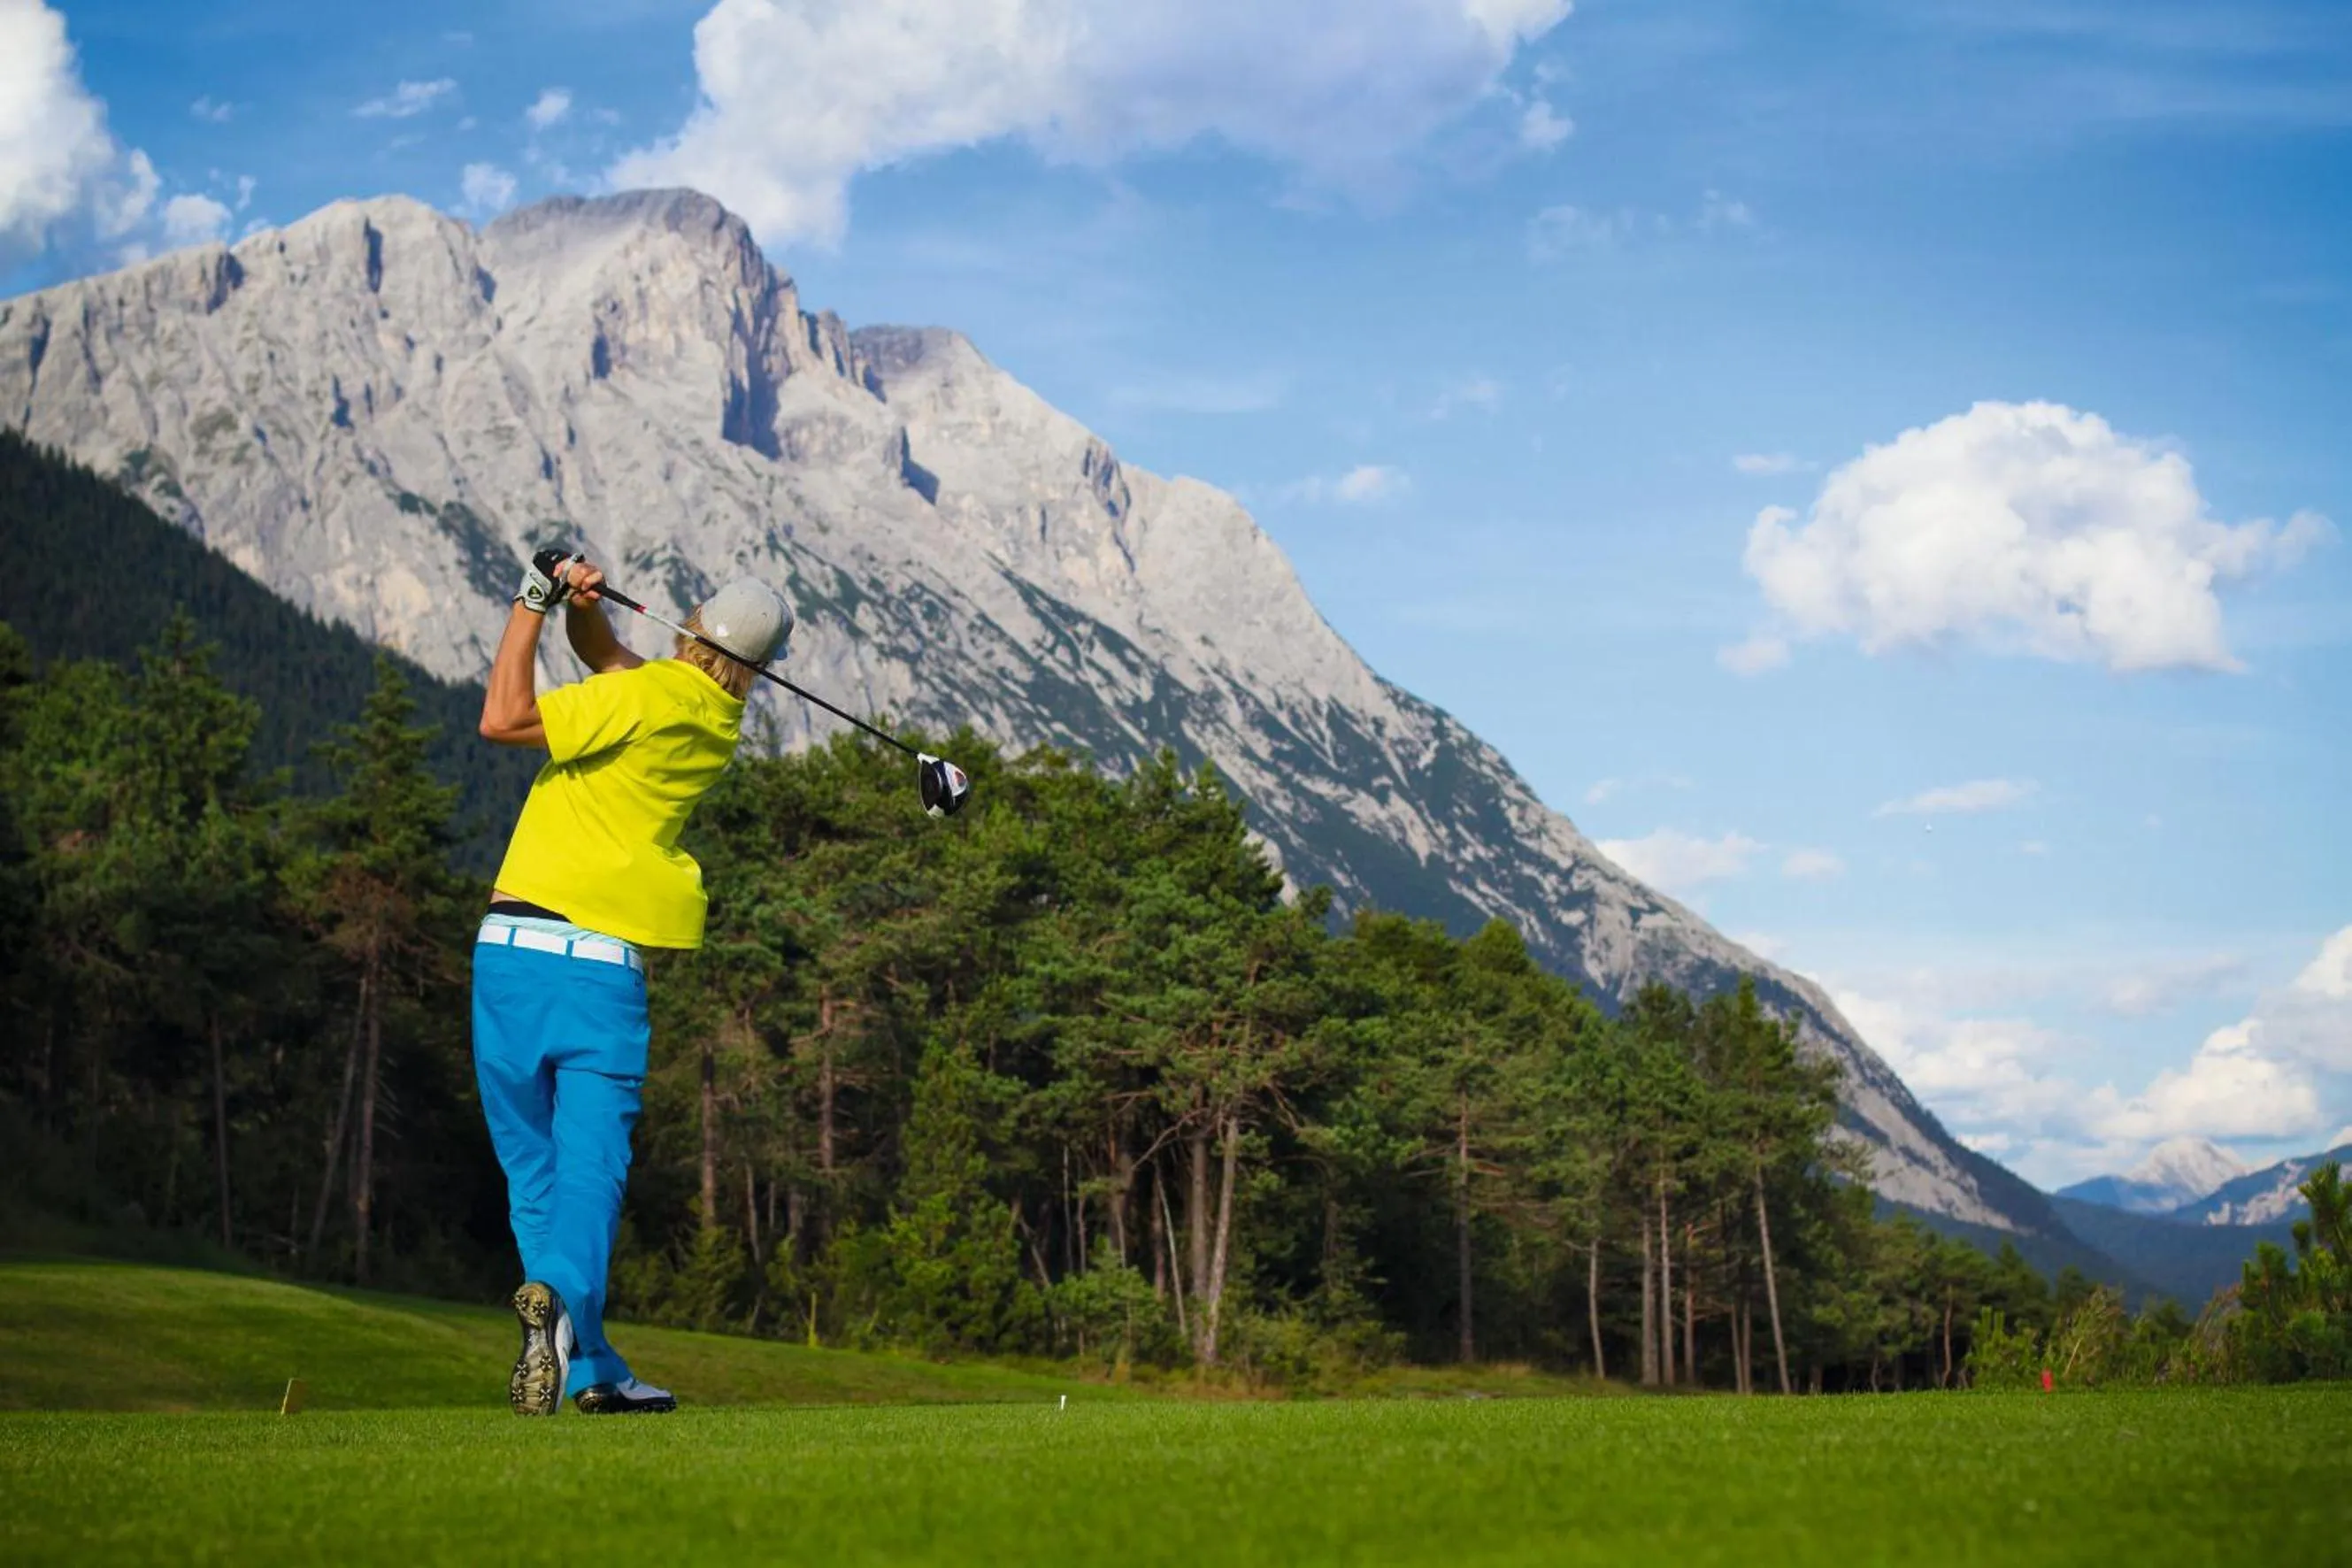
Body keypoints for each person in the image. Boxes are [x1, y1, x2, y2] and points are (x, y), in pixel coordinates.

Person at [474, 549, 791, 1415]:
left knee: (535, 1173)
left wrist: (532, 600)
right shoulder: (711, 719)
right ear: (755, 670)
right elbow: (611, 658)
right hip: (600, 973)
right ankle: (574, 1339)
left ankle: (578, 1350)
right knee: (589, 1173)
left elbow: (501, 718)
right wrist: (584, 609)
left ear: (691, 623)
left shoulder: (647, 693)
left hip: (506, 953)